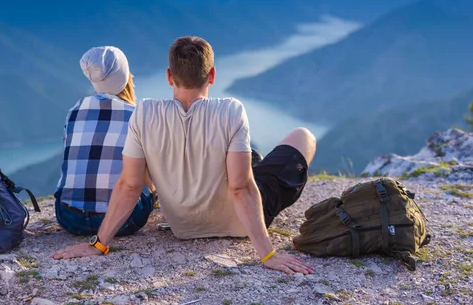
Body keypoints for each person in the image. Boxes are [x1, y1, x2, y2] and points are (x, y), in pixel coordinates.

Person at [51, 37, 315, 275]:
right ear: (211, 76)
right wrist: (267, 254)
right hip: (240, 223)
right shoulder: (232, 111)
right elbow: (240, 187)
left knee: (250, 161)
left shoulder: (143, 114)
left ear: (169, 76)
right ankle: (253, 164)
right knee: (303, 136)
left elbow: (130, 185)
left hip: (184, 227)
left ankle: (250, 162)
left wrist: (98, 244)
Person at [53, 46, 155, 238]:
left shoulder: (75, 110)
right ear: (126, 76)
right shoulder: (137, 115)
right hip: (124, 221)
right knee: (145, 164)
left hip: (68, 217)